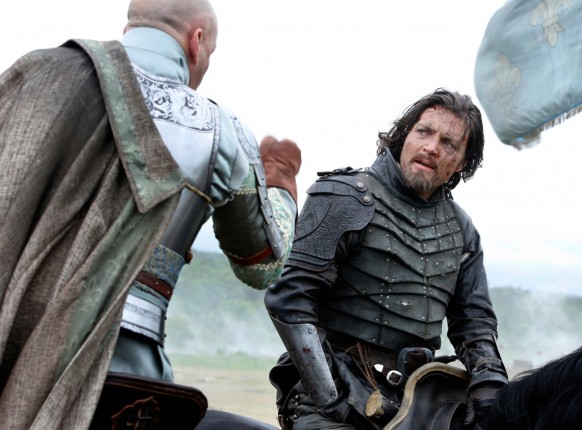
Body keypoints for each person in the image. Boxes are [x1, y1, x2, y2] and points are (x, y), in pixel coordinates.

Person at [0, 0, 299, 428]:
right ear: (197, 42)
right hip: (126, 382)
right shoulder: (217, 131)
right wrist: (281, 182)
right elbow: (263, 267)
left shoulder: (34, 75)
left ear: (129, 29)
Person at [265, 88, 508, 430]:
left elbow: (474, 323)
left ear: (462, 163)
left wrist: (490, 388)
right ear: (405, 135)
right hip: (328, 400)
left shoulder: (461, 229)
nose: (431, 147)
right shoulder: (344, 197)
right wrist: (334, 398)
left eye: (448, 143)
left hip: (418, 401)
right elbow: (289, 302)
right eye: (424, 132)